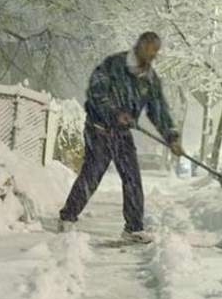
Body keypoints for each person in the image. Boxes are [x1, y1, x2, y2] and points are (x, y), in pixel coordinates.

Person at [58, 32, 184, 243]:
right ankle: (67, 217)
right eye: (151, 50)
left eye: (156, 52)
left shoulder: (150, 80)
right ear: (141, 46)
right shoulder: (113, 65)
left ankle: (133, 228)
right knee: (92, 174)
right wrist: (115, 112)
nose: (153, 55)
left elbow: (158, 110)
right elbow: (96, 93)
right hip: (99, 129)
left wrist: (171, 137)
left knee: (132, 177)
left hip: (122, 134)